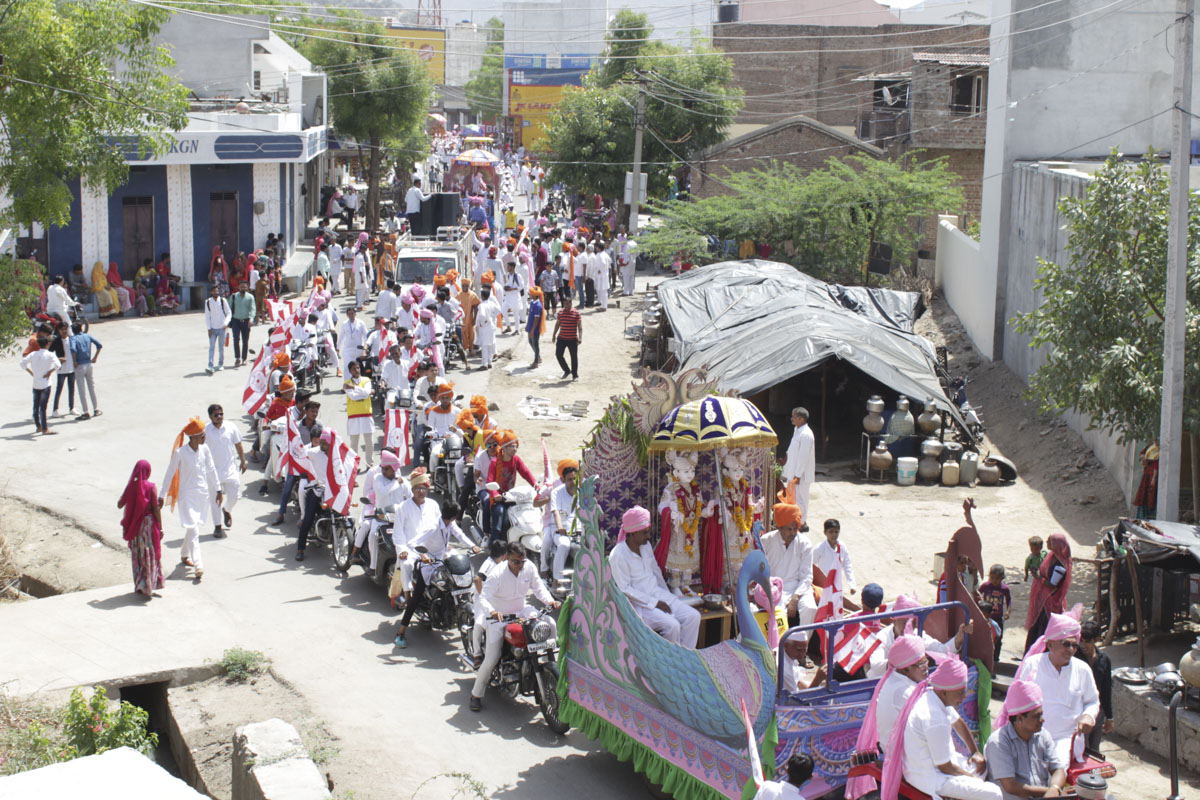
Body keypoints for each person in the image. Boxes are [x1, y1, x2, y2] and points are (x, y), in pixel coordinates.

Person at [886, 658, 1000, 800]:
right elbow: (945, 767)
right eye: (960, 693)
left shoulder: (934, 695)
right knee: (995, 793)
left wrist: (975, 752)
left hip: (931, 769)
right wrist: (972, 779)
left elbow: (958, 722)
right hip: (931, 778)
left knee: (982, 768)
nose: (964, 697)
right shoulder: (935, 718)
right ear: (945, 692)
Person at [469, 542, 560, 711]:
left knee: (550, 623)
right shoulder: (497, 573)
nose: (519, 565)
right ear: (507, 558)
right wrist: (493, 611)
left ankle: (550, 667)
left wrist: (550, 601)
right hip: (499, 617)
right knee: (491, 658)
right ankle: (476, 694)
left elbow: (539, 587)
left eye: (522, 561)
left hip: (522, 611)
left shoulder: (529, 567)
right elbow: (483, 598)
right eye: (515, 562)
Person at [1008, 612, 1099, 764]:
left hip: (1066, 738)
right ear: (1050, 644)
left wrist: (1088, 716)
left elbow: (1093, 701)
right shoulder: (1033, 665)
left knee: (1057, 768)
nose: (1071, 649)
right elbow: (1017, 701)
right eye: (1066, 644)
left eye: (1074, 645)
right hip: (1031, 734)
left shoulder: (1082, 670)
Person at [609, 506, 701, 648]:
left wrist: (667, 596)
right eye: (645, 532)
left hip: (658, 595)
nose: (648, 536)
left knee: (693, 617)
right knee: (673, 626)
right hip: (639, 605)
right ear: (632, 533)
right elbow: (624, 589)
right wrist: (655, 603)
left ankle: (683, 657)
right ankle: (668, 663)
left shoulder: (645, 547)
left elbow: (656, 572)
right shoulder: (618, 555)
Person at [396, 499, 481, 642]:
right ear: (454, 516)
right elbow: (412, 543)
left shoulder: (450, 524)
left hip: (443, 559)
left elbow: (460, 535)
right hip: (429, 564)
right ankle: (401, 632)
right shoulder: (433, 526)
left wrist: (472, 546)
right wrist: (422, 555)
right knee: (415, 599)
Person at [985, 680, 1069, 799]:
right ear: (1019, 719)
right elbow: (1011, 786)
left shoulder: (1044, 735)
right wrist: (1049, 792)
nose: (1042, 719)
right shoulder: (998, 742)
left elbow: (1058, 770)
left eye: (1041, 714)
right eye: (1036, 716)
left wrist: (1055, 788)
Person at [162, 417, 223, 581]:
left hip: (202, 495)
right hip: (186, 496)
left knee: (192, 527)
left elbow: (211, 470)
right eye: (202, 435)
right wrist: (161, 496)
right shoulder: (180, 453)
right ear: (194, 437)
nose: (205, 438)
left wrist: (218, 489)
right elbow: (169, 475)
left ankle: (183, 554)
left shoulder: (205, 450)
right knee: (194, 528)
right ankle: (199, 565)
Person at [393, 470, 441, 644]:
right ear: (412, 489)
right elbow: (398, 534)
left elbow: (439, 528)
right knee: (406, 564)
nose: (421, 491)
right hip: (411, 549)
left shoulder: (434, 505)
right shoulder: (403, 508)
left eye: (424, 488)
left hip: (432, 548)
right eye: (418, 488)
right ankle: (408, 597)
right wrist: (402, 549)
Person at [351, 449, 411, 571]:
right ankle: (373, 567)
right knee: (373, 535)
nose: (383, 471)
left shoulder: (402, 480)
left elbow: (410, 496)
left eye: (387, 469)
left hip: (398, 518)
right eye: (383, 468)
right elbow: (383, 492)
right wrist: (396, 482)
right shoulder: (378, 477)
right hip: (380, 517)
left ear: (394, 469)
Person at [760, 503, 817, 626]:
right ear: (779, 528)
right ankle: (779, 644)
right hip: (775, 587)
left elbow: (807, 576)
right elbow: (760, 569)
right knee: (778, 613)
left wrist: (795, 597)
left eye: (795, 529)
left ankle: (803, 643)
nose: (792, 533)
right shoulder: (766, 541)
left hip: (798, 586)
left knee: (810, 608)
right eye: (789, 529)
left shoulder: (804, 543)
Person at [118, 460, 164, 599]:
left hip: (135, 527)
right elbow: (156, 508)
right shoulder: (151, 487)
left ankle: (140, 584)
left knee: (138, 553)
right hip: (148, 525)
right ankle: (149, 585)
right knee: (149, 552)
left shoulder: (131, 487)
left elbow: (120, 504)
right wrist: (160, 528)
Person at [486, 430, 539, 544]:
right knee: (500, 517)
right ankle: (494, 545)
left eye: (516, 446)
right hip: (499, 499)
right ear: (504, 448)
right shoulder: (494, 463)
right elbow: (490, 482)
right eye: (511, 446)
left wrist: (536, 485)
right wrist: (495, 495)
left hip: (512, 497)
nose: (515, 449)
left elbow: (526, 473)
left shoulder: (516, 460)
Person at [1024, 533, 1072, 651]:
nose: (1046, 542)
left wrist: (1039, 577)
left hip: (1049, 603)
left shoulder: (1059, 565)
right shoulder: (1051, 556)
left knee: (1043, 628)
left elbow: (1052, 585)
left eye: (1049, 541)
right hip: (1043, 600)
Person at [205, 404, 246, 540]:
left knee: (234, 495)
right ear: (210, 416)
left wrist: (243, 461)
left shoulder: (231, 427)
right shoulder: (205, 431)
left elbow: (238, 444)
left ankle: (227, 510)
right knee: (215, 500)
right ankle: (217, 526)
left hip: (230, 469)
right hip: (213, 472)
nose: (219, 417)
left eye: (221, 414)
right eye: (216, 415)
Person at [294, 430, 334, 562]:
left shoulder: (337, 455)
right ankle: (300, 549)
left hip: (333, 491)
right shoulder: (314, 452)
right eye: (321, 442)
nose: (322, 445)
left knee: (347, 515)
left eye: (324, 443)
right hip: (317, 489)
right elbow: (299, 454)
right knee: (308, 518)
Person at [538, 459, 580, 583]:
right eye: (569, 479)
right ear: (563, 480)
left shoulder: (581, 492)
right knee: (563, 544)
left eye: (575, 479)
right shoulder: (556, 491)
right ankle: (557, 578)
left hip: (577, 531)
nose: (573, 482)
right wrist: (560, 528)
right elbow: (556, 512)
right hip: (557, 529)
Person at [1075, 620, 1113, 753]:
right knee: (1080, 749)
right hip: (1078, 711)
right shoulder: (1074, 659)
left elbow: (1107, 689)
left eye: (1087, 641)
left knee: (1094, 750)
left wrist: (1109, 717)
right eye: (1081, 641)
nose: (1083, 645)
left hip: (1098, 712)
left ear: (1096, 640)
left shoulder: (1104, 660)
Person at [20, 334, 61, 435]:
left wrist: (31, 372)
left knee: (35, 406)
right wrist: (49, 372)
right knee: (43, 407)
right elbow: (58, 365)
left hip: (36, 383)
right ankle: (45, 428)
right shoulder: (50, 355)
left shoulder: (33, 354)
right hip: (46, 384)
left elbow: (22, 363)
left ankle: (38, 426)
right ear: (47, 344)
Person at [782, 407, 815, 521]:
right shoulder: (797, 430)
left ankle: (802, 522)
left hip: (801, 475)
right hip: (793, 472)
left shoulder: (806, 434)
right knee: (793, 499)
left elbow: (803, 457)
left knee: (801, 500)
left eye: (794, 417)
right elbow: (793, 450)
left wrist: (798, 476)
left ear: (801, 419)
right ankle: (794, 521)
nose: (792, 419)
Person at [343, 359, 375, 469]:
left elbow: (366, 393)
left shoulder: (366, 380)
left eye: (358, 368)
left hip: (366, 414)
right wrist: (365, 393)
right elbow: (354, 396)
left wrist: (355, 388)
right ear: (350, 371)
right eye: (354, 369)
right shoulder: (347, 383)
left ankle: (369, 464)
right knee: (354, 444)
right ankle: (354, 466)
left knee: (369, 442)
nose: (356, 370)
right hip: (354, 416)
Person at [814, 518, 856, 598]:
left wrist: (852, 584)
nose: (834, 535)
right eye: (831, 532)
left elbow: (847, 566)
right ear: (825, 533)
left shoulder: (842, 547)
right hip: (823, 585)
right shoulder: (820, 548)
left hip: (837, 585)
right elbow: (811, 565)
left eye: (836, 532)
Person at [978, 565, 1012, 660]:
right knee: (984, 637)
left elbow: (1009, 600)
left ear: (1002, 578)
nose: (994, 580)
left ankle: (995, 658)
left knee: (997, 638)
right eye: (992, 578)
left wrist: (1008, 611)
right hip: (986, 617)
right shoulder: (986, 586)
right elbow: (978, 594)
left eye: (997, 578)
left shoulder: (1004, 588)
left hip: (998, 618)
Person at [69, 324, 102, 420]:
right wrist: (95, 357)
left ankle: (86, 412)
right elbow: (99, 345)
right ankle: (96, 408)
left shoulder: (73, 339)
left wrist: (74, 361)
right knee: (91, 387)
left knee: (81, 389)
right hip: (89, 363)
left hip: (79, 365)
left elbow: (73, 350)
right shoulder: (87, 336)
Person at [551, 295, 581, 380]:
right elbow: (557, 324)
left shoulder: (576, 313)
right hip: (562, 338)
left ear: (571, 303)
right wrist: (554, 335)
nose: (566, 306)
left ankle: (575, 375)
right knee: (558, 355)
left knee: (573, 357)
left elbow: (580, 327)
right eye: (564, 304)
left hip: (572, 339)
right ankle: (567, 370)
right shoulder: (560, 312)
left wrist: (580, 337)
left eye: (568, 304)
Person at [49, 322, 76, 418]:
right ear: (58, 330)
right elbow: (50, 353)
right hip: (61, 369)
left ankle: (71, 408)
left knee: (72, 388)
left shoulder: (71, 339)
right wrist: (58, 360)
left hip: (71, 368)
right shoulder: (56, 341)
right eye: (62, 329)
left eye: (65, 328)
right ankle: (55, 410)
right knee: (59, 389)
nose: (64, 331)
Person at [204, 283, 231, 374]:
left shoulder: (223, 301)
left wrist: (226, 323)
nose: (216, 292)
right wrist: (209, 328)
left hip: (222, 328)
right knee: (211, 347)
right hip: (212, 328)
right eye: (214, 291)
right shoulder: (208, 302)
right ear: (210, 292)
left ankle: (220, 364)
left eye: (217, 290)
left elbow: (229, 313)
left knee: (221, 347)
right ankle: (210, 365)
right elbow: (207, 316)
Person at [229, 281, 256, 367]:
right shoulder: (233, 296)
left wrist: (251, 319)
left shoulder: (250, 297)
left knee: (245, 341)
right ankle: (237, 358)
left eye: (244, 287)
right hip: (235, 321)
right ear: (238, 287)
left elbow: (253, 309)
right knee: (236, 339)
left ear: (247, 287)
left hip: (246, 321)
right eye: (241, 287)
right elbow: (229, 309)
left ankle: (244, 359)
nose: (243, 288)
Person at [475, 286, 501, 370]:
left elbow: (482, 315)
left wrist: (483, 322)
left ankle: (484, 364)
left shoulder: (482, 305)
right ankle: (489, 362)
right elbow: (498, 311)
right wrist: (492, 317)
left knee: (485, 346)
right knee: (490, 344)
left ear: (482, 296)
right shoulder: (492, 303)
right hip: (491, 326)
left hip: (485, 327)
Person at [1134, 440, 1159, 519]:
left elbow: (1156, 466)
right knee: (1144, 495)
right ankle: (1143, 516)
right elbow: (1142, 455)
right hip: (1147, 475)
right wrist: (1144, 458)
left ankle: (1151, 516)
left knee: (1151, 496)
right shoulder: (1150, 447)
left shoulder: (1157, 450)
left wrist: (1154, 478)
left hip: (1152, 477)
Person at [500, 259, 525, 334]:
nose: (507, 268)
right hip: (508, 297)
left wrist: (512, 289)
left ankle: (517, 330)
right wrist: (506, 288)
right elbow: (507, 283)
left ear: (513, 267)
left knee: (515, 314)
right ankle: (508, 326)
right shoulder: (508, 275)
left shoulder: (518, 276)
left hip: (515, 297)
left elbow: (521, 286)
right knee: (503, 310)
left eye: (509, 266)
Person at [526, 286, 545, 369]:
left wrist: (532, 330)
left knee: (535, 344)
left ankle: (536, 362)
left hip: (535, 330)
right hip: (531, 328)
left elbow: (536, 319)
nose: (529, 295)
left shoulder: (538, 305)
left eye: (531, 294)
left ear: (534, 295)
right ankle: (538, 357)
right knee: (531, 342)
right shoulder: (533, 303)